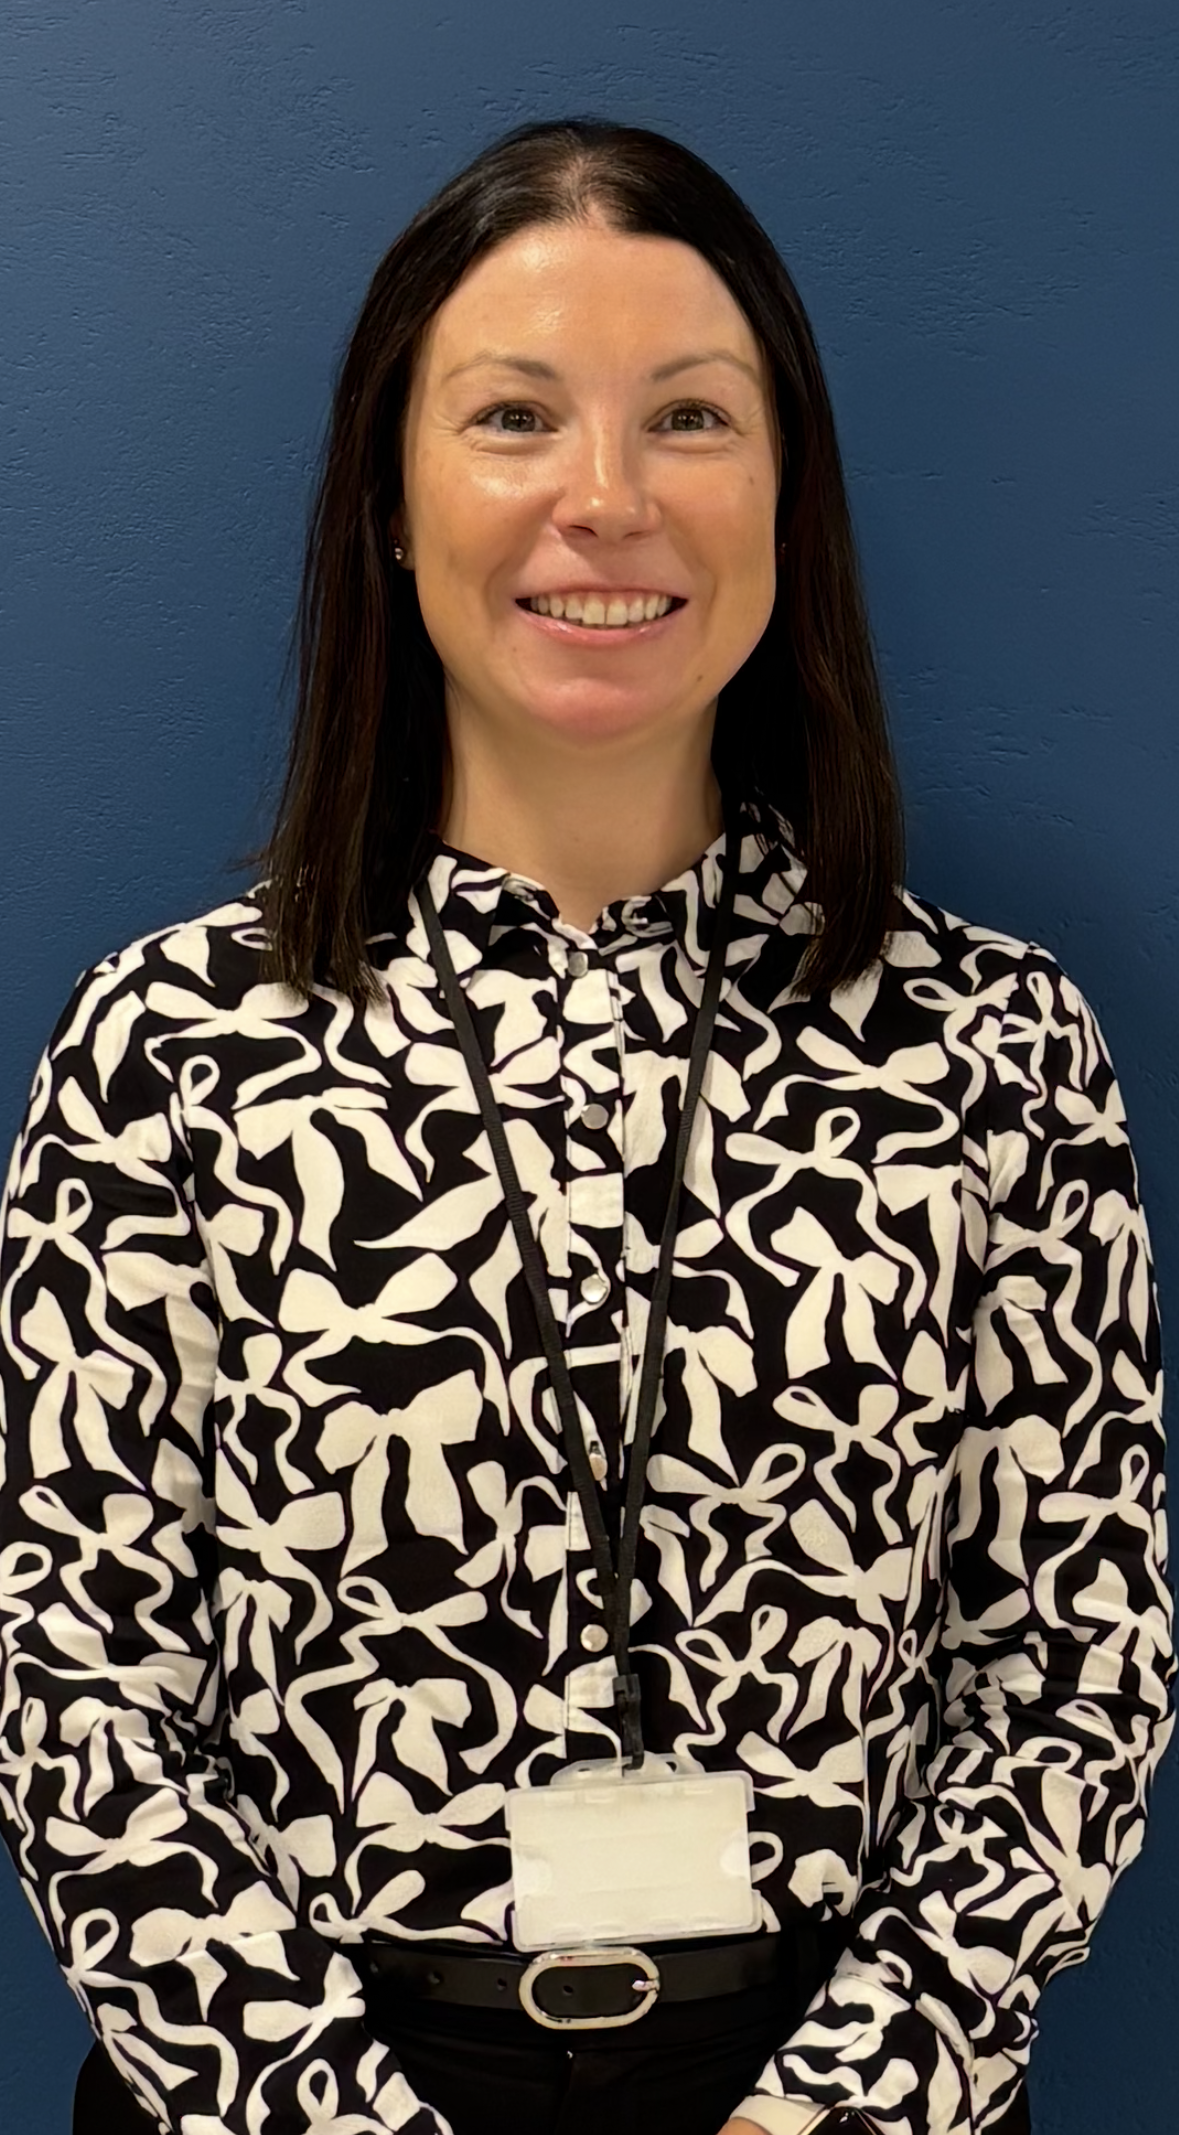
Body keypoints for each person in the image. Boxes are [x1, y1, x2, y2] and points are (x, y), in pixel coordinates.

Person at [0, 114, 1173, 2135]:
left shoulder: (995, 1047)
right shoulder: (167, 1046)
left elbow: (1070, 1666)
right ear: (388, 492)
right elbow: (72, 1677)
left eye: (692, 419)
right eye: (515, 415)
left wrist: (846, 2101)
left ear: (786, 491)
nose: (605, 499)